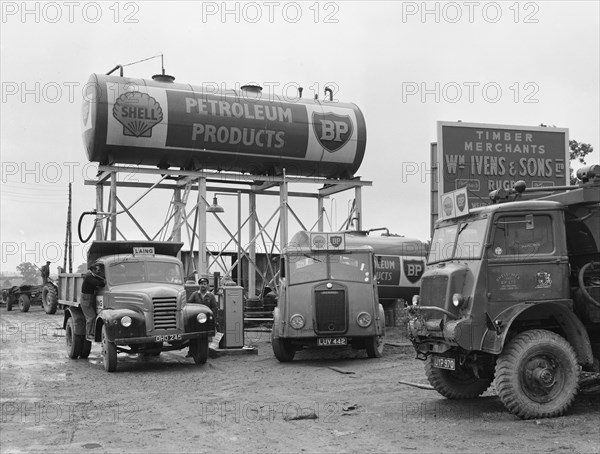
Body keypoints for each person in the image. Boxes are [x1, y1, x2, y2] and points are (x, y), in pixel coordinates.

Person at [80, 263, 106, 339]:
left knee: (92, 316)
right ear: (93, 270)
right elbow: (97, 283)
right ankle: (88, 334)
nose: (99, 271)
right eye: (97, 269)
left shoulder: (92, 276)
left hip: (88, 298)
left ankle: (91, 333)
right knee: (91, 317)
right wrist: (104, 281)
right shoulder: (89, 277)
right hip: (86, 298)